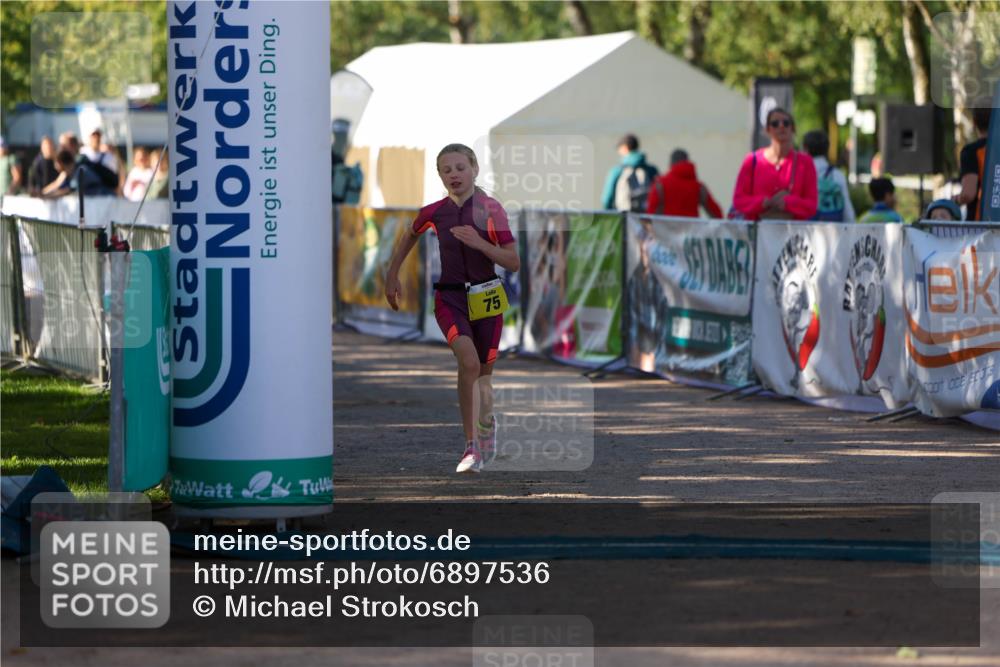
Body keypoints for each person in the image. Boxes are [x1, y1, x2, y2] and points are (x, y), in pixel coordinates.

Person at [384, 144, 520, 474]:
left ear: (474, 169)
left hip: (487, 297)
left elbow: (513, 262)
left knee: (484, 377)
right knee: (468, 362)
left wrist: (479, 244)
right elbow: (410, 234)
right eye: (447, 170)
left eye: (460, 167)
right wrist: (392, 273)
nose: (454, 174)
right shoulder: (434, 212)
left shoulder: (491, 209)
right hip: (450, 298)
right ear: (440, 176)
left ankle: (487, 430)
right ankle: (471, 446)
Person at [730, 108, 818, 220]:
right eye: (775, 123)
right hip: (758, 233)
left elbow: (811, 205)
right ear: (767, 130)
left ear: (793, 128)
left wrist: (788, 203)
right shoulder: (752, 160)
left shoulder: (805, 162)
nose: (781, 126)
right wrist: (762, 203)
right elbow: (739, 200)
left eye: (786, 123)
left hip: (793, 234)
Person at [645, 149, 723, 218]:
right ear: (687, 161)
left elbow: (650, 214)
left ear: (671, 164)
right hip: (691, 232)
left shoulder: (660, 184)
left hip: (666, 232)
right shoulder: (699, 187)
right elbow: (717, 214)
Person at [802, 130, 855, 222]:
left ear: (805, 149)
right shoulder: (837, 175)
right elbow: (848, 213)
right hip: (832, 230)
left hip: (806, 231)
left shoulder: (800, 174)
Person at [601, 134, 658, 212]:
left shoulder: (617, 171)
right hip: (646, 218)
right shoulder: (652, 170)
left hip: (625, 218)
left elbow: (606, 200)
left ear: (625, 148)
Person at [955, 104, 992, 221]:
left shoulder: (971, 151)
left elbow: (968, 194)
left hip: (981, 224)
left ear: (974, 122)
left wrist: (954, 200)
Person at [42, 148, 115, 198]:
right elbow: (57, 184)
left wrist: (45, 196)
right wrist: (42, 193)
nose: (55, 166)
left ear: (63, 164)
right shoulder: (71, 171)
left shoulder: (80, 172)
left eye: (56, 163)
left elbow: (67, 191)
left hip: (105, 199)